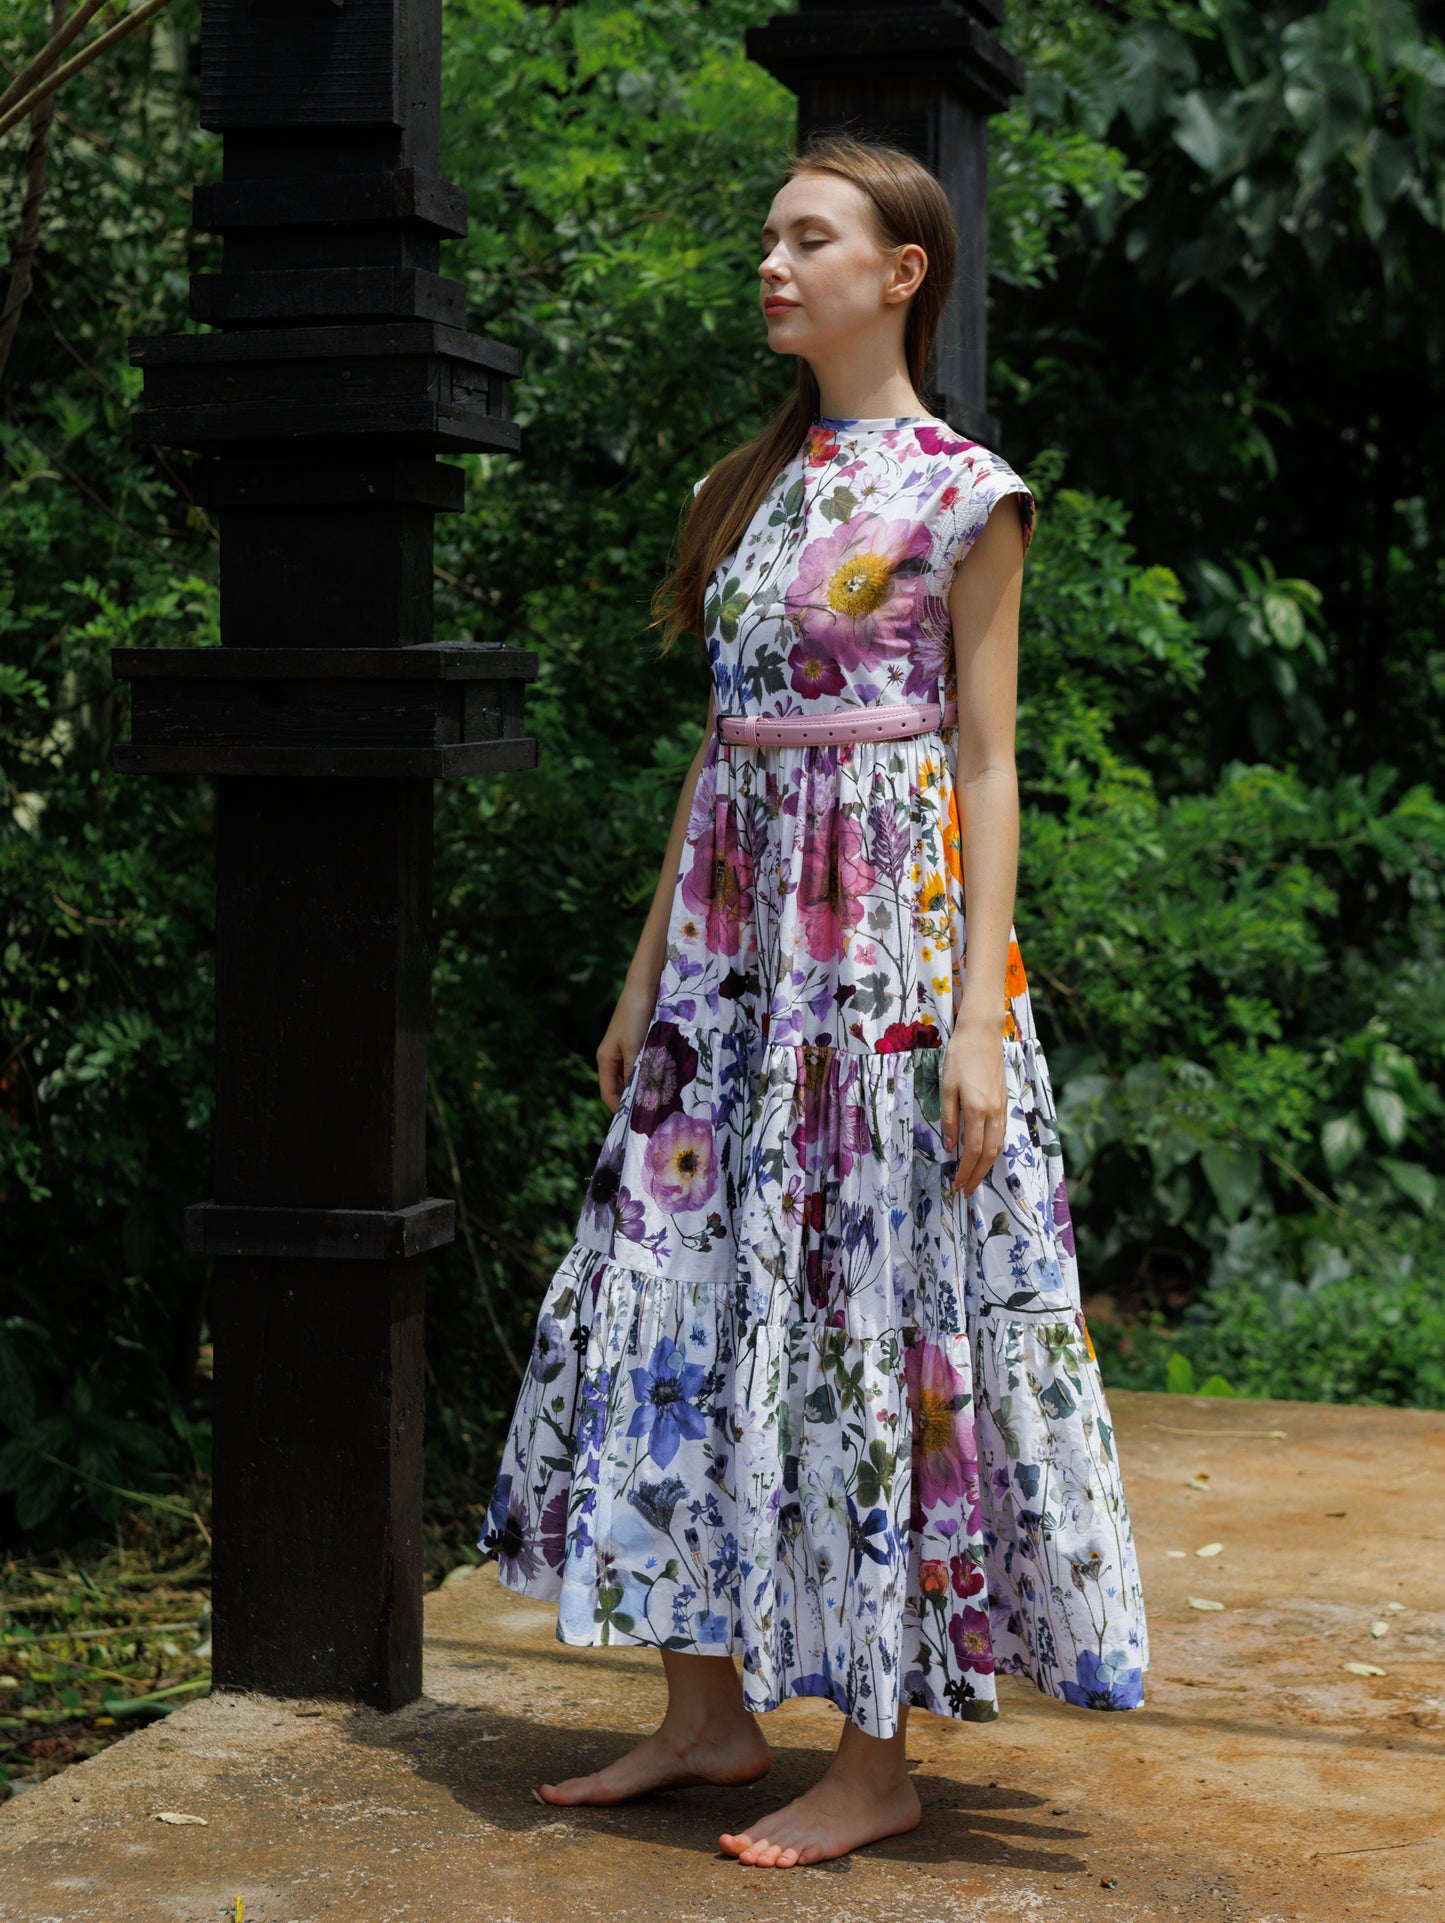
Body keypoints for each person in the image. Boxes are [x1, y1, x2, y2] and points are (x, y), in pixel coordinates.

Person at [481, 131, 1149, 1870]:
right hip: (728, 957)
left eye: (807, 238)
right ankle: (706, 1716)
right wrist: (645, 975)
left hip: (880, 965)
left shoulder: (963, 490)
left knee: (873, 1304)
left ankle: (873, 1750)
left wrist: (981, 1019)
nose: (770, 263)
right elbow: (721, 749)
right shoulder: (754, 485)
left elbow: (989, 766)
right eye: (767, 237)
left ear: (899, 271)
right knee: (686, 1282)